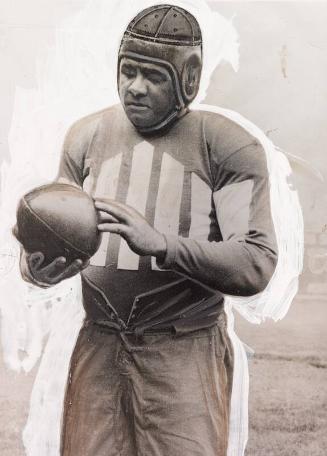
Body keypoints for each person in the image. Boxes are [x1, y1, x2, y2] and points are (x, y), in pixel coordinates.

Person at [19, 4, 278, 456]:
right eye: (128, 71)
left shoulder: (225, 144)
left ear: (188, 78)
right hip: (98, 345)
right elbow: (54, 236)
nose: (134, 87)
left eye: (153, 76)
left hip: (183, 348)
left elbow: (255, 263)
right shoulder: (86, 136)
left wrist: (160, 244)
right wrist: (39, 267)